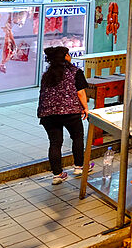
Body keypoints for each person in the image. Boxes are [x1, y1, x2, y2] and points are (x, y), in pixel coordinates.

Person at [37, 46, 91, 185]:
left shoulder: (46, 75)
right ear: (66, 56)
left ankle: (57, 175)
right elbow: (80, 92)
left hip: (48, 113)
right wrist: (85, 108)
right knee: (77, 137)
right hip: (70, 112)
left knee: (55, 143)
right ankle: (79, 167)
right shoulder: (75, 72)